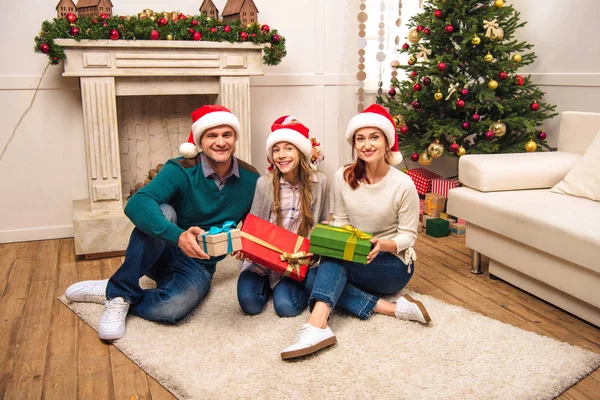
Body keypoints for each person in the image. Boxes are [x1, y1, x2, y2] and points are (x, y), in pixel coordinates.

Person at [64, 105, 260, 340]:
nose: (220, 142)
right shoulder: (180, 169)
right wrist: (178, 236)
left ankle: (114, 290)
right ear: (200, 141)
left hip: (200, 264)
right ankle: (121, 292)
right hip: (162, 250)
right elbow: (137, 203)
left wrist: (244, 243)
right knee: (164, 211)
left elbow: (254, 221)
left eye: (226, 135)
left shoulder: (251, 179)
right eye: (212, 136)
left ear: (235, 138)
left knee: (172, 308)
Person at [280, 104, 431, 360]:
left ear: (387, 143)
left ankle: (317, 325)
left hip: (392, 265)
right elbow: (341, 221)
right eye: (360, 138)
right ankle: (392, 308)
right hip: (354, 255)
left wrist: (381, 245)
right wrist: (331, 235)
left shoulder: (403, 184)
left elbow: (409, 237)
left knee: (329, 266)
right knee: (311, 275)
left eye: (374, 137)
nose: (367, 145)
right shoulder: (343, 176)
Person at [237, 116, 329, 317]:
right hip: (263, 259)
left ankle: (289, 287)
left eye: (288, 148)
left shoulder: (320, 183)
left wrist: (314, 255)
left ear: (301, 151)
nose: (281, 155)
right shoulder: (264, 183)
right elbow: (254, 224)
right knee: (249, 305)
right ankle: (268, 285)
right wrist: (244, 246)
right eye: (276, 150)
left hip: (295, 260)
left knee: (286, 308)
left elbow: (323, 223)